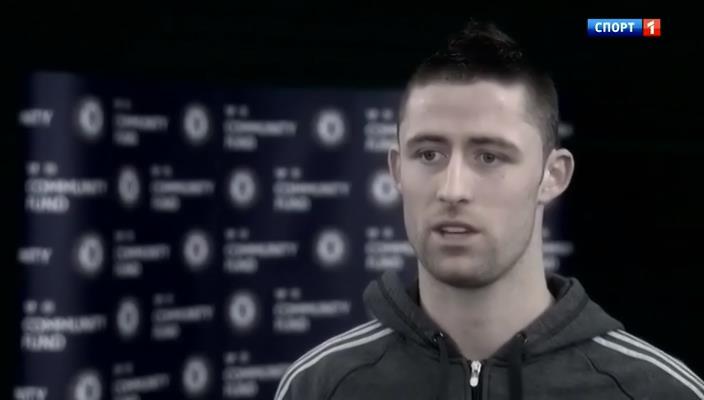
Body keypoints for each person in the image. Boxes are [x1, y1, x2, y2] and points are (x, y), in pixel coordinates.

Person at [274, 19, 704, 400]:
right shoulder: (318, 387)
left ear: (553, 176)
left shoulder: (658, 391)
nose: (453, 190)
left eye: (489, 157)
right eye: (428, 154)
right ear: (397, 170)